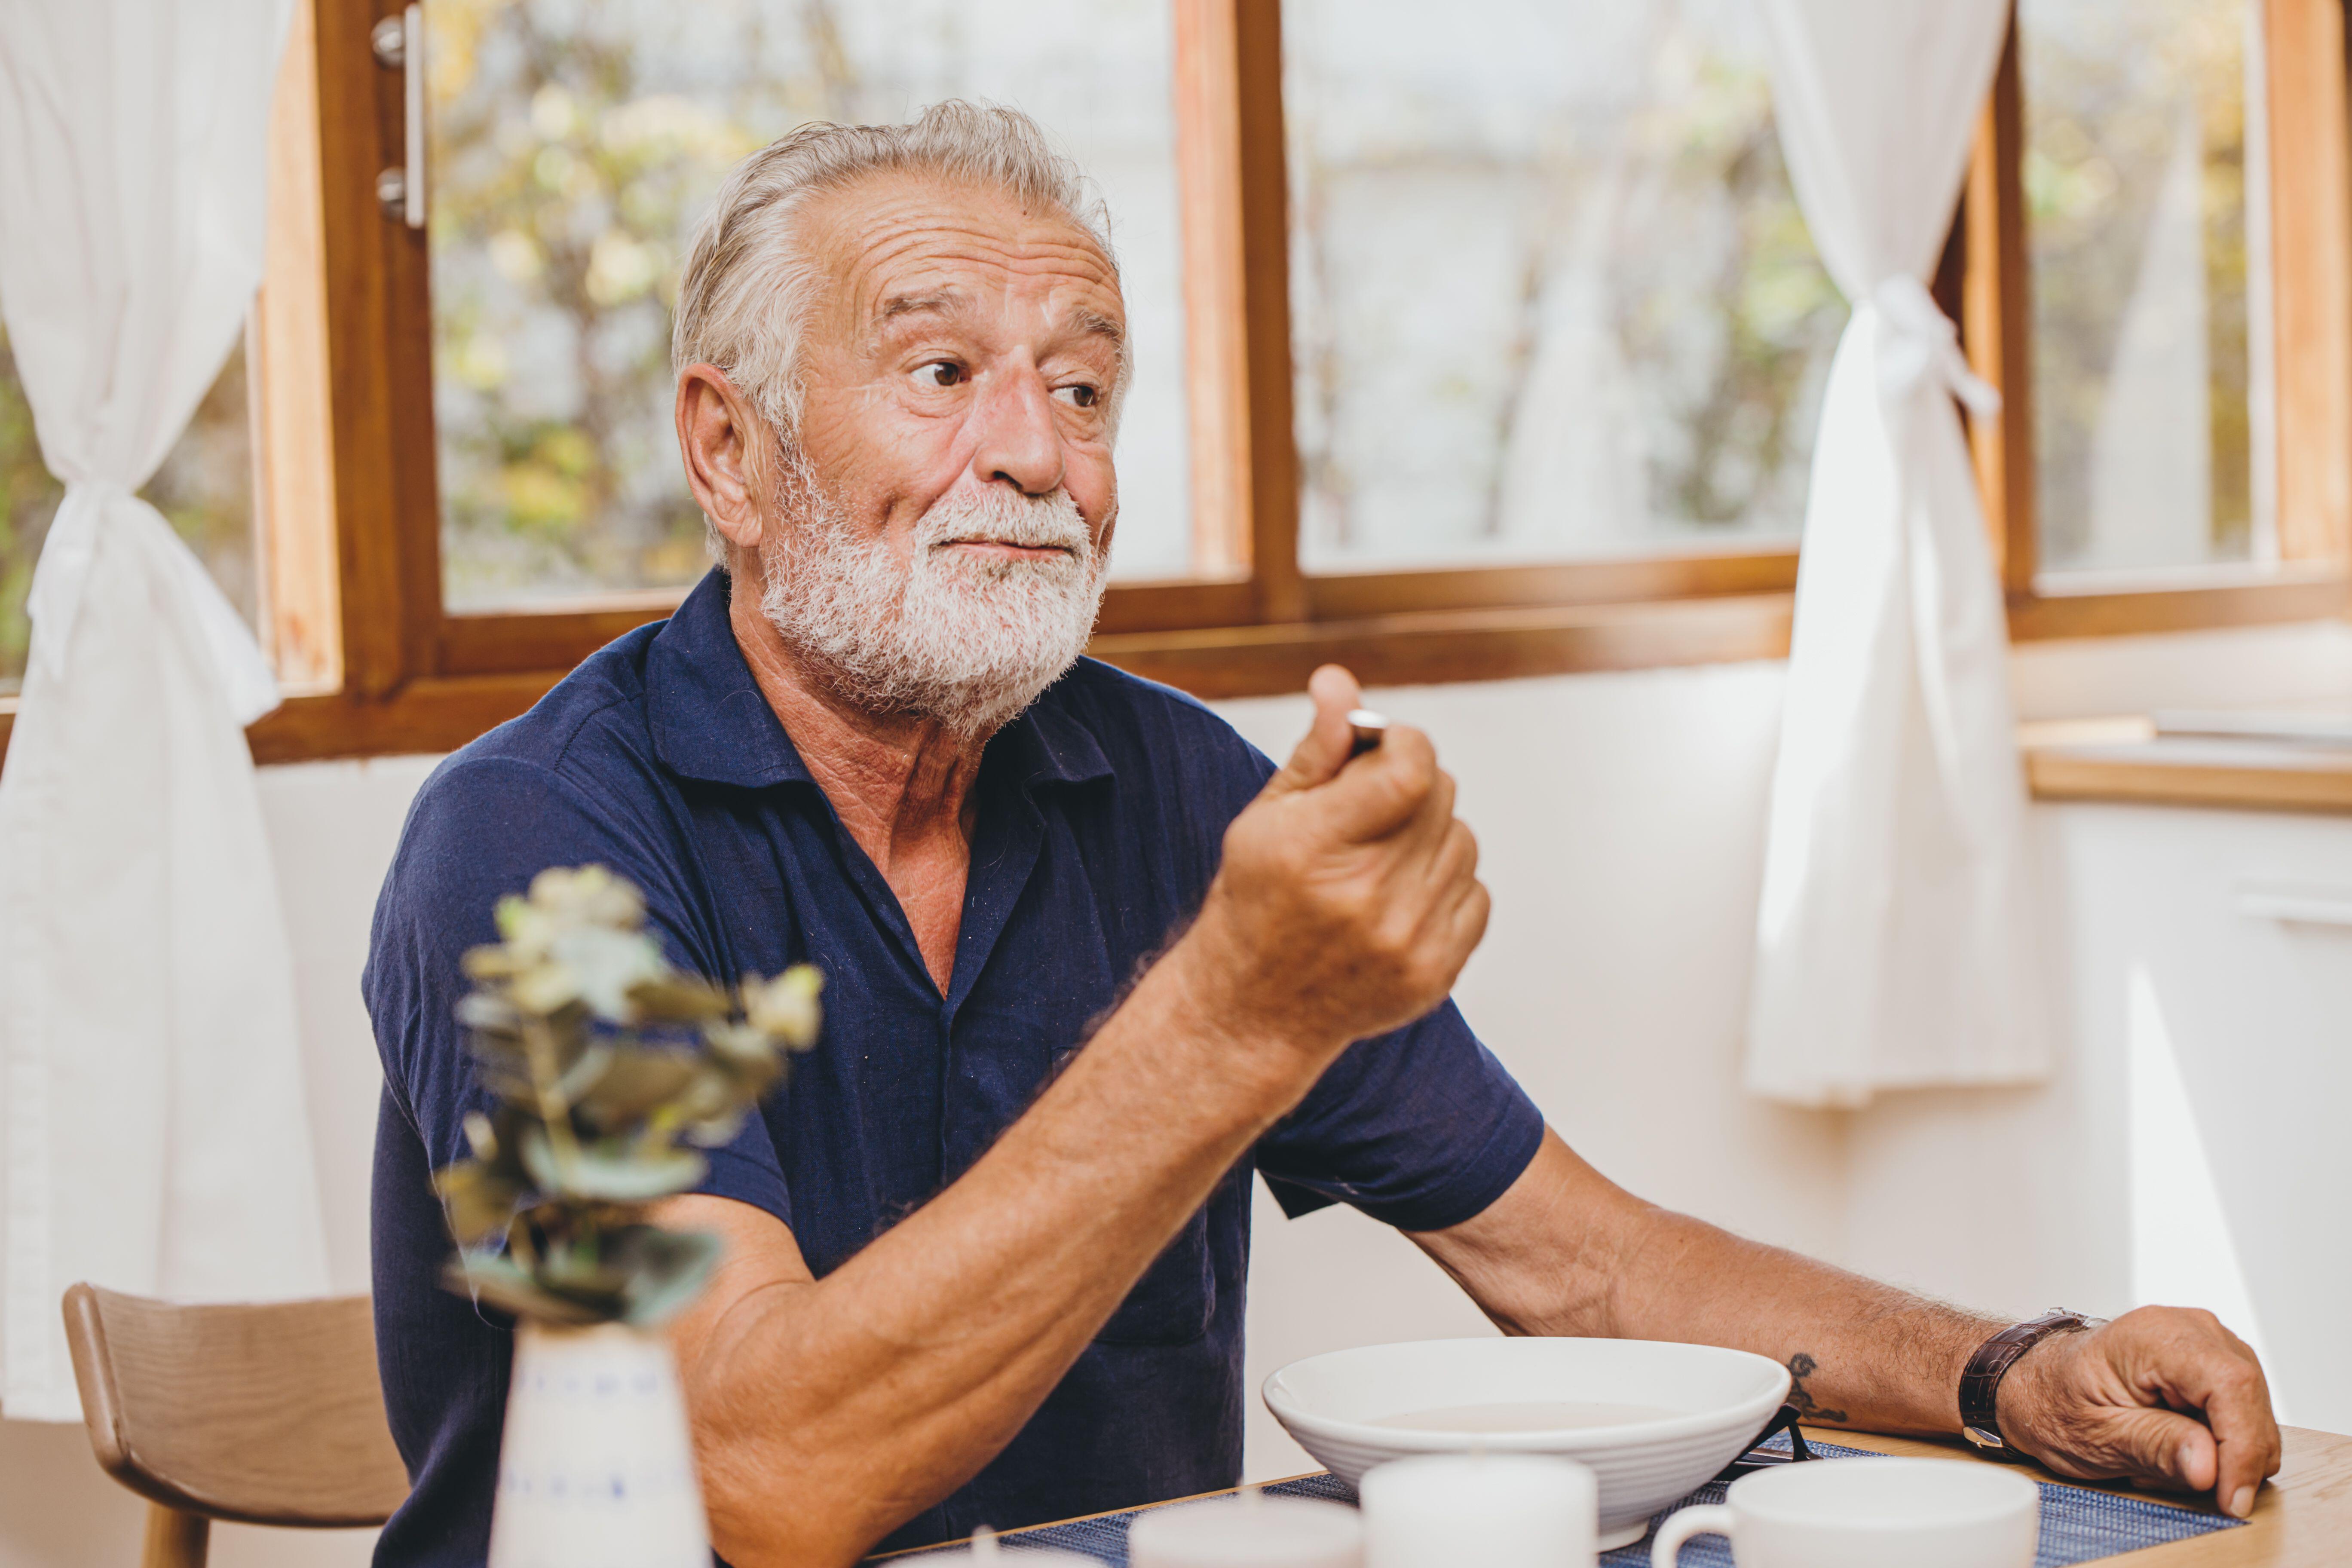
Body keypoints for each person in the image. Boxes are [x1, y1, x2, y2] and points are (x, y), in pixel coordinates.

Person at [364, 103, 2279, 1568]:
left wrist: (2009, 1368)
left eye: (1090, 387)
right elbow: (763, 1477)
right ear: (728, 451)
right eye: (945, 372)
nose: (1038, 454)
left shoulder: (1178, 790)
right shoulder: (537, 851)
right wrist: (1230, 1018)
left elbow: (1587, 1272)